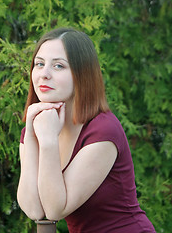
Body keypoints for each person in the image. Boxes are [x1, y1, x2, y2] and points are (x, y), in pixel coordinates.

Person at [17, 27, 155, 232]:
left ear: (82, 74)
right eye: (39, 64)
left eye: (58, 66)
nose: (44, 74)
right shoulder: (38, 128)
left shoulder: (103, 130)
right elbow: (35, 210)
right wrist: (30, 134)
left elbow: (55, 210)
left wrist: (47, 142)